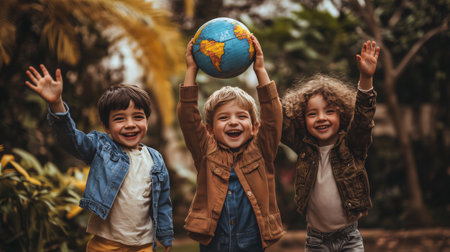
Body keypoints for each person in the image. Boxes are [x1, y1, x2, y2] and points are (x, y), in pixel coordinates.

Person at [25, 65, 173, 252]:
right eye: (120, 119)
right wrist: (57, 104)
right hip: (106, 243)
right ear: (107, 127)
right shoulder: (101, 147)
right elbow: (72, 141)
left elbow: (163, 202)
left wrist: (166, 235)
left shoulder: (155, 159)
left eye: (138, 117)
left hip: (142, 244)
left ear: (147, 121)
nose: (130, 124)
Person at [177, 35, 285, 251]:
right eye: (223, 118)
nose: (233, 122)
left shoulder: (262, 150)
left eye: (242, 117)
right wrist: (191, 70)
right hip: (214, 242)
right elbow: (188, 118)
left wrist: (260, 70)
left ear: (255, 127)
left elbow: (272, 116)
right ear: (210, 130)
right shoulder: (206, 151)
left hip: (253, 242)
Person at [281, 40, 380, 252]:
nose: (321, 118)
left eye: (329, 111)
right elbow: (278, 123)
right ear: (302, 119)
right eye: (312, 114)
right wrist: (260, 72)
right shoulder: (305, 149)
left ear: (342, 114)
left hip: (349, 238)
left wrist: (366, 78)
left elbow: (363, 119)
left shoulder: (352, 145)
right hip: (316, 240)